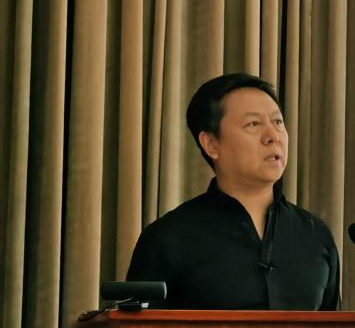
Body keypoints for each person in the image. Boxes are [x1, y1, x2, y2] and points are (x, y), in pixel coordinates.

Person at [126, 73, 340, 310]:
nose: (273, 137)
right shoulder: (168, 238)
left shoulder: (315, 236)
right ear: (211, 144)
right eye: (253, 124)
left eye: (278, 122)